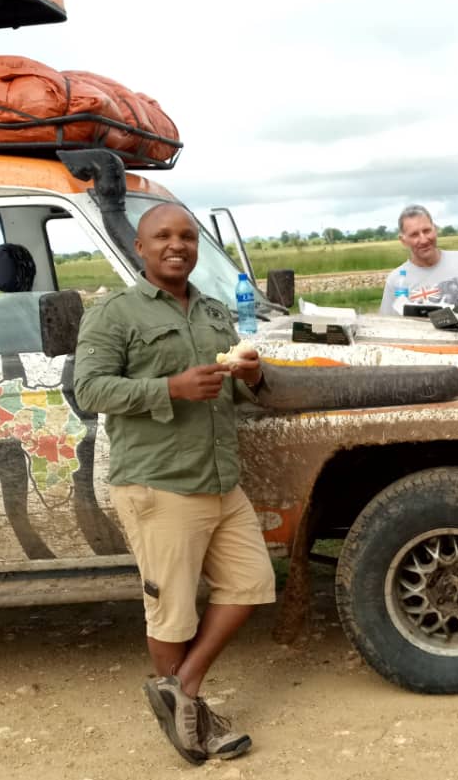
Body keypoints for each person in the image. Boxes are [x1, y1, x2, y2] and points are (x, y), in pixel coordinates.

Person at [74, 203, 280, 764]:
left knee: (251, 584)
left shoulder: (213, 311)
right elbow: (89, 390)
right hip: (160, 482)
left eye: (187, 236)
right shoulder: (115, 312)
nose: (177, 245)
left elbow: (235, 390)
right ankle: (193, 724)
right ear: (139, 248)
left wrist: (253, 374)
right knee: (173, 611)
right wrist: (170, 388)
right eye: (162, 236)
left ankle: (180, 689)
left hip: (220, 479)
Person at [379, 204, 458, 315]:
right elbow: (390, 323)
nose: (423, 240)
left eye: (427, 231)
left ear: (435, 229)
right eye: (414, 235)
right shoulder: (396, 281)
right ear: (403, 240)